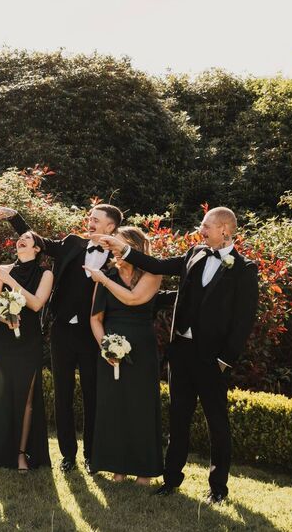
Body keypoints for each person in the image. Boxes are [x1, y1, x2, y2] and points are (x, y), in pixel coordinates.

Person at [99, 207, 258, 504]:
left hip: (212, 359)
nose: (200, 229)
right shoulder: (195, 254)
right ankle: (171, 480)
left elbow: (244, 320)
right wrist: (124, 249)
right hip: (181, 353)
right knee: (178, 419)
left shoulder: (245, 268)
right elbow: (156, 265)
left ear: (225, 230)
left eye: (206, 225)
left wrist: (226, 359)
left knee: (217, 423)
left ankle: (218, 488)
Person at [0, 204, 122, 473]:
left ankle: (91, 455)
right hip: (61, 330)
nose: (90, 222)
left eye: (96, 220)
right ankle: (68, 455)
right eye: (90, 218)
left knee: (91, 394)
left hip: (92, 333)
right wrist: (15, 217)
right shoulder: (73, 243)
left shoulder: (119, 258)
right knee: (62, 394)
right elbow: (40, 242)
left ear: (110, 227)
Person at [87, 226, 163, 484]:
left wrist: (103, 281)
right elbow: (95, 319)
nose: (113, 250)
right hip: (110, 347)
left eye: (117, 244)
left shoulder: (152, 273)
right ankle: (116, 467)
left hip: (141, 347)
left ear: (135, 247)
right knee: (114, 407)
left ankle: (144, 470)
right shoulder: (108, 273)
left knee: (140, 406)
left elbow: (132, 299)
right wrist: (105, 347)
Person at [0, 231, 53, 471]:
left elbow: (36, 303)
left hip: (29, 340)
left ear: (37, 248)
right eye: (20, 238)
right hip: (3, 340)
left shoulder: (46, 274)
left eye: (28, 238)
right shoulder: (2, 269)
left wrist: (11, 282)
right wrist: (5, 317)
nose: (21, 240)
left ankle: (21, 454)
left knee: (27, 398)